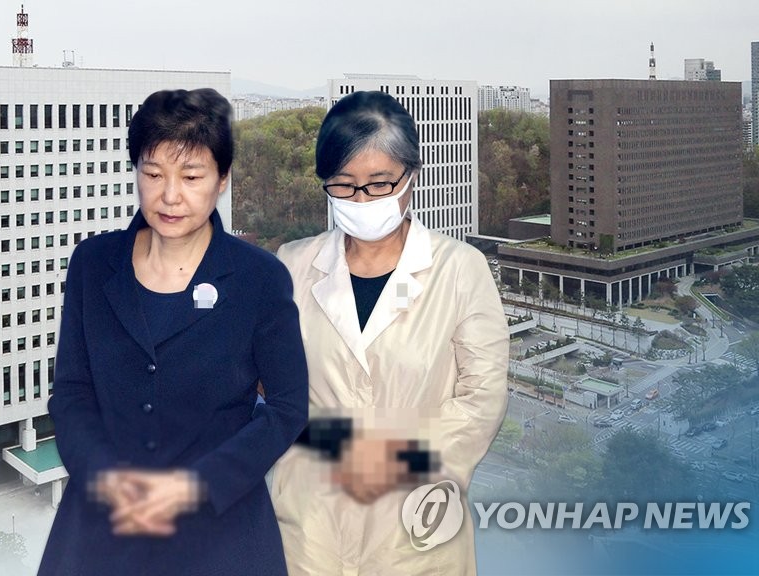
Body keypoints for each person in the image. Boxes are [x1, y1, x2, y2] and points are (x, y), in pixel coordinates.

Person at [38, 88, 308, 576]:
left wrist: (196, 486)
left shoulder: (259, 278)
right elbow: (73, 390)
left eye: (191, 176)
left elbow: (287, 408)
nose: (169, 195)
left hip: (222, 537)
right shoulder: (94, 263)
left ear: (223, 179)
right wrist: (104, 478)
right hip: (101, 532)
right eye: (153, 174)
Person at [270, 90, 508, 575]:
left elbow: (482, 399)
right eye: (343, 185)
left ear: (411, 176)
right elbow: (269, 387)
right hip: (309, 523)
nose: (361, 200)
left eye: (379, 184)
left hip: (418, 523)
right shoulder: (292, 265)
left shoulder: (459, 269)